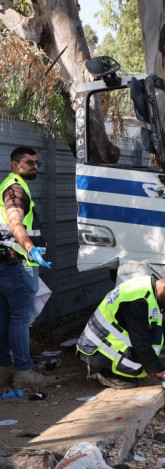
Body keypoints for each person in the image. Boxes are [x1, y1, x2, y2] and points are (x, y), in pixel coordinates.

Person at [0, 146, 55, 389]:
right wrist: (29, 247)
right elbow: (15, 221)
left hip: (4, 262)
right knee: (21, 319)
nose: (35, 166)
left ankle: (4, 369)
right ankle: (23, 372)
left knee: (4, 318)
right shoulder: (15, 189)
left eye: (36, 163)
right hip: (19, 263)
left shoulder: (7, 185)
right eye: (29, 162)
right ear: (15, 164)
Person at [77, 272, 165, 390]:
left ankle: (125, 369)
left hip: (103, 336)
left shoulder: (149, 284)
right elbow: (141, 343)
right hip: (97, 347)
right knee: (139, 356)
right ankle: (110, 375)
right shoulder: (138, 301)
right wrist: (162, 374)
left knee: (162, 330)